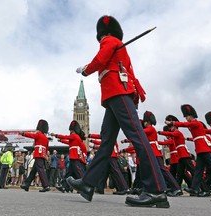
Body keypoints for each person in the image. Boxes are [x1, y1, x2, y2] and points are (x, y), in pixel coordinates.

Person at [66, 15, 169, 208]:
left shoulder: (109, 40)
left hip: (118, 93)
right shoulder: (116, 44)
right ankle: (88, 184)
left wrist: (86, 70)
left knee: (137, 137)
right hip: (114, 95)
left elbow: (100, 59)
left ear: (103, 33)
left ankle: (156, 191)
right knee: (106, 142)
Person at [165, 104, 211, 198]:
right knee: (198, 171)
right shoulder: (194, 125)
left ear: (192, 115)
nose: (187, 118)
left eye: (187, 116)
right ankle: (195, 188)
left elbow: (185, 124)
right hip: (200, 150)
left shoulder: (196, 123)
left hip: (204, 149)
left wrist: (173, 123)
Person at [51, 120, 87, 193]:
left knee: (79, 173)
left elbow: (66, 137)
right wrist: (61, 141)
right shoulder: (75, 138)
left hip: (75, 157)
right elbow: (68, 141)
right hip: (73, 157)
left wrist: (56, 135)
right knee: (69, 173)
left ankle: (85, 186)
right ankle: (64, 186)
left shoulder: (74, 136)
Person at [20, 119, 50, 192]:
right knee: (34, 171)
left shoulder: (39, 134)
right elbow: (46, 148)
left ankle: (46, 185)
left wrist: (24, 134)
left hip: (38, 154)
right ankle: (27, 184)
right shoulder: (46, 138)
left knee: (40, 170)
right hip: (42, 155)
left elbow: (32, 135)